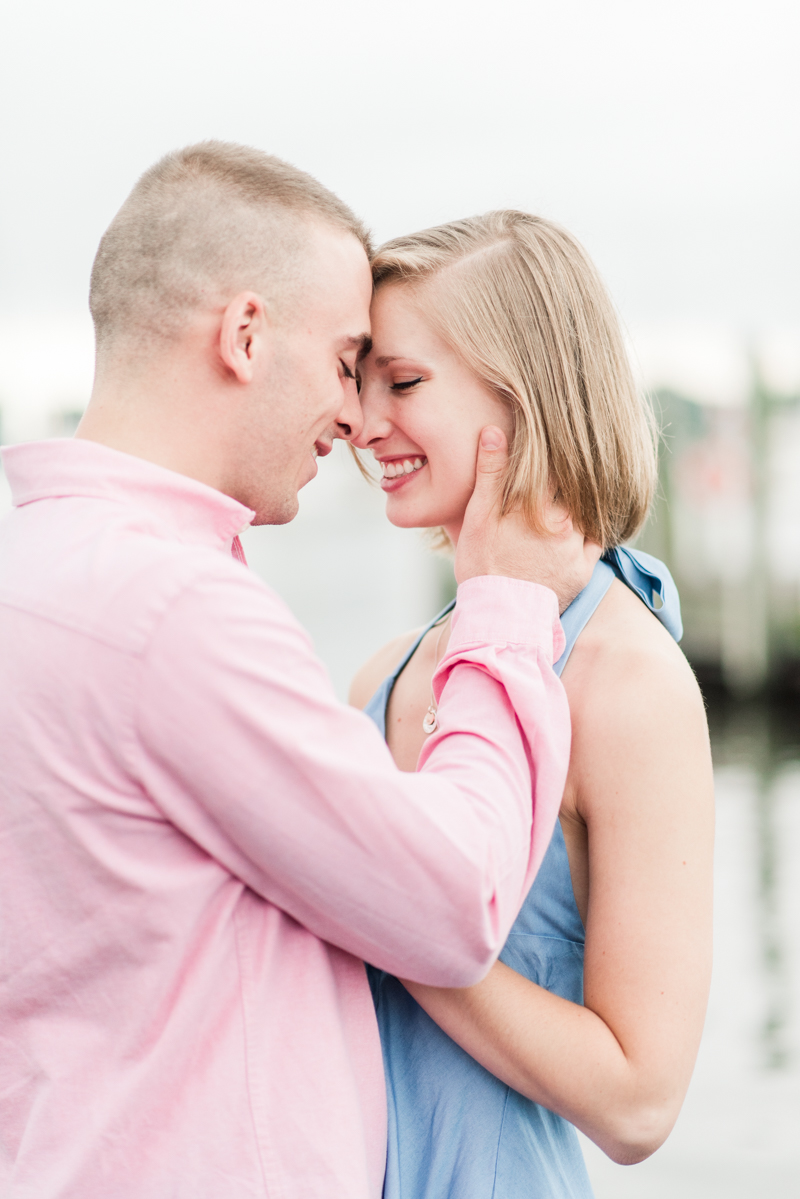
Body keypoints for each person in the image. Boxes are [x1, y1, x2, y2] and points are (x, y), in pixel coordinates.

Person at [0, 150, 599, 1198]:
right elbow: (453, 898)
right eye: (344, 360)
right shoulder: (168, 607)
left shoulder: (32, 573)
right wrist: (504, 605)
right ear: (242, 336)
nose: (355, 417)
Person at [350, 211, 715, 1198]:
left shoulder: (630, 684)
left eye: (405, 382)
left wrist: (388, 916)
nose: (361, 419)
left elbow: (638, 1102)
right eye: (358, 380)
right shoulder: (383, 671)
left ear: (523, 398)